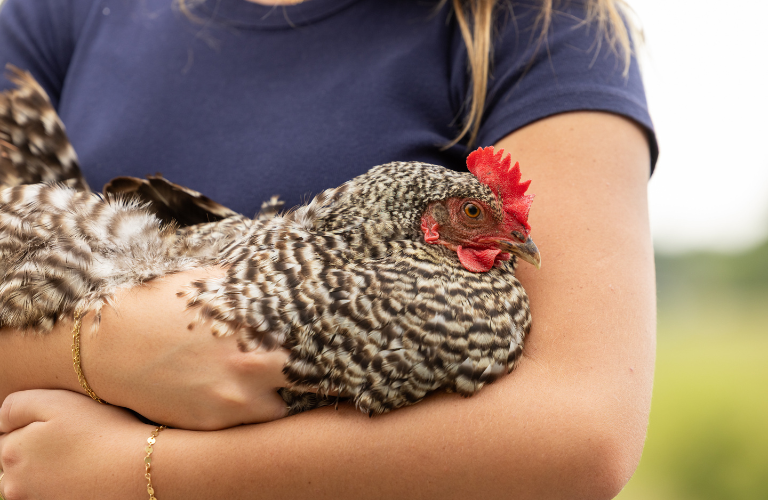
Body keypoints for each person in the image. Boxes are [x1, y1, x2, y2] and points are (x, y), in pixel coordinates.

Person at [0, 0, 658, 498]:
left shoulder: (542, 25)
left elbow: (580, 428)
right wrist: (97, 350)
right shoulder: (60, 12)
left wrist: (144, 470)